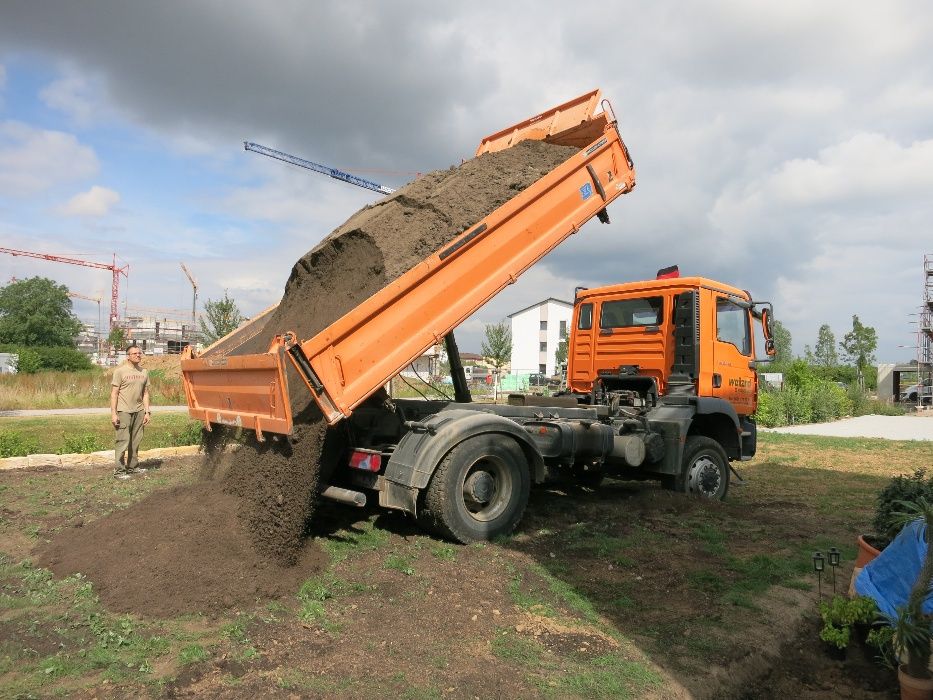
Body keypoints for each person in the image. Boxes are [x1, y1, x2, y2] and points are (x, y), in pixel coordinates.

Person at [110, 345, 151, 479]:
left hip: (139, 411)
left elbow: (145, 393)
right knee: (123, 441)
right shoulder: (120, 371)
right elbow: (114, 394)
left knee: (136, 440)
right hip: (124, 411)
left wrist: (147, 412)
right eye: (134, 353)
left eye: (139, 353)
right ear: (128, 356)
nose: (138, 355)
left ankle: (133, 467)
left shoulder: (144, 372)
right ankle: (119, 471)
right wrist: (114, 413)